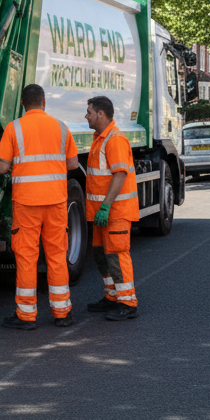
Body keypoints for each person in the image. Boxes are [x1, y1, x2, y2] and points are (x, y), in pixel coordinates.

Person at [0, 84, 80, 330]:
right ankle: (63, 313)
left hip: (27, 203)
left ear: (23, 103)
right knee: (56, 256)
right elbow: (73, 163)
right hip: (55, 201)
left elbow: (0, 168)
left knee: (27, 258)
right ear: (44, 101)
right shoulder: (61, 127)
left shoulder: (14, 128)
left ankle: (26, 315)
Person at [84, 95, 139, 320]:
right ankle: (112, 296)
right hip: (101, 214)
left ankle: (128, 302)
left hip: (114, 212)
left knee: (116, 255)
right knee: (100, 254)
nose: (85, 116)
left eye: (88, 112)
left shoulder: (115, 139)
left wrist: (105, 207)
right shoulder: (100, 138)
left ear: (101, 114)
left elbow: (119, 175)